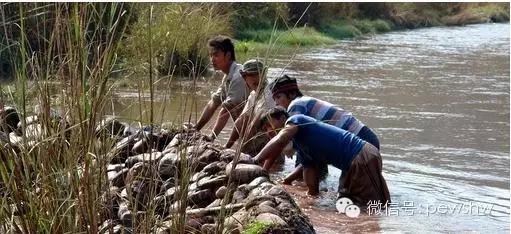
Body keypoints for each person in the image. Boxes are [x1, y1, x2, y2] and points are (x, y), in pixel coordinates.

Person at [254, 107, 390, 206]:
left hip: (361, 155)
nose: (268, 131)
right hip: (351, 164)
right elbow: (311, 179)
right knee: (346, 201)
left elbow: (280, 140)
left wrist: (255, 160)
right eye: (265, 130)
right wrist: (309, 198)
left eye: (268, 126)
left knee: (370, 205)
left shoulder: (296, 120)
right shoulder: (301, 146)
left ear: (283, 118)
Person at [269, 74, 380, 185]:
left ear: (292, 94)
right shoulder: (305, 102)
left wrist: (282, 178)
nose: (276, 103)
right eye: (274, 99)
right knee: (353, 188)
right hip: (364, 141)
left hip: (361, 143)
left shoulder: (296, 105)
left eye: (278, 97)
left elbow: (288, 142)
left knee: (358, 190)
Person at [193, 36, 249, 141]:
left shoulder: (238, 77)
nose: (212, 59)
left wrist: (211, 137)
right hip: (246, 133)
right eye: (211, 55)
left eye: (216, 55)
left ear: (227, 55)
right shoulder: (228, 77)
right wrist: (196, 129)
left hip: (258, 135)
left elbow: (226, 111)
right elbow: (213, 103)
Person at [223, 59, 276, 156]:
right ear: (244, 77)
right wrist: (226, 147)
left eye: (258, 73)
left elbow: (253, 125)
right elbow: (241, 121)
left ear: (264, 74)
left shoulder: (268, 94)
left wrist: (239, 153)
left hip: (271, 143)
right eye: (251, 75)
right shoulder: (253, 95)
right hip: (259, 140)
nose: (256, 77)